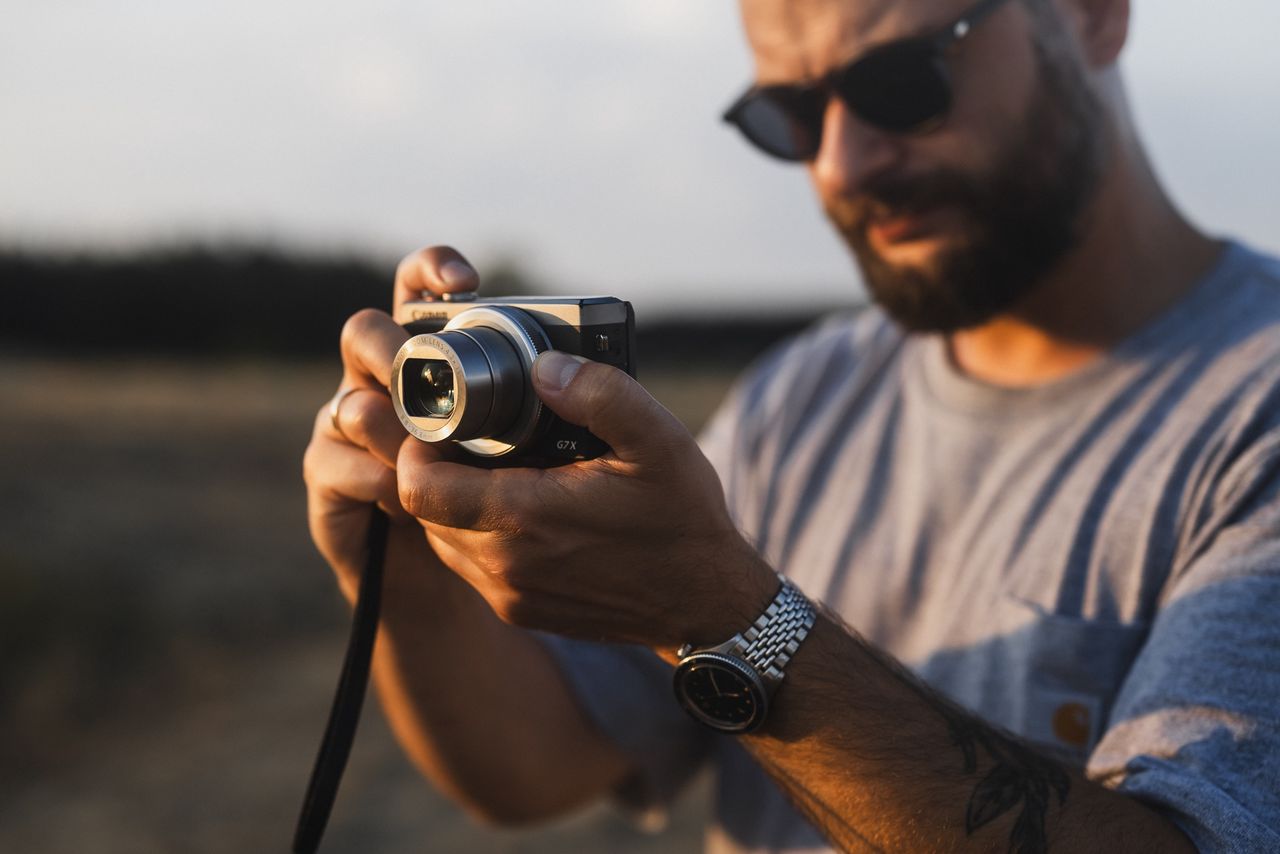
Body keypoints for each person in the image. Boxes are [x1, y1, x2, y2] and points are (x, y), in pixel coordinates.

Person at [303, 0, 1280, 850]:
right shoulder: (803, 392)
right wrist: (408, 573)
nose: (840, 162)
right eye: (788, 115)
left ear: (1092, 12)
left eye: (904, 79)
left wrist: (727, 618)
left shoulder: (1254, 407)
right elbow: (544, 763)